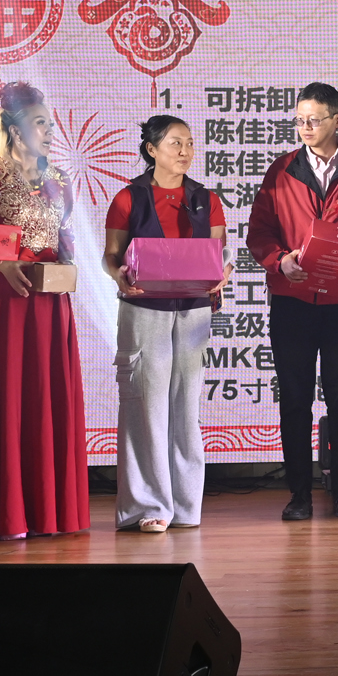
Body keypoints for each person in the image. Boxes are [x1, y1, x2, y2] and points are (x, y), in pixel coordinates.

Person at [0, 81, 91, 540]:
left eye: (50, 124)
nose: (49, 132)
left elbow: (65, 237)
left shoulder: (60, 180)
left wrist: (68, 266)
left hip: (50, 302)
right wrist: (3, 264)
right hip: (6, 301)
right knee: (5, 400)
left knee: (46, 396)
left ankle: (48, 512)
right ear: (14, 129)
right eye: (40, 123)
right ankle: (1, 515)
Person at [246, 82, 338, 521]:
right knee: (294, 399)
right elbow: (259, 232)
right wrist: (280, 260)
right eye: (299, 120)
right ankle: (298, 494)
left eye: (314, 119)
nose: (305, 127)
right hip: (293, 300)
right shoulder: (282, 170)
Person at [102, 115, 227, 534]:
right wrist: (118, 274)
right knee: (146, 406)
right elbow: (111, 255)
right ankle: (147, 506)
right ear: (151, 149)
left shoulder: (205, 199)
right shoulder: (129, 197)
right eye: (175, 143)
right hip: (144, 309)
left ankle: (186, 505)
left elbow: (218, 253)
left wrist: (223, 274)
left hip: (194, 310)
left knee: (186, 407)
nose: (185, 151)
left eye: (189, 143)